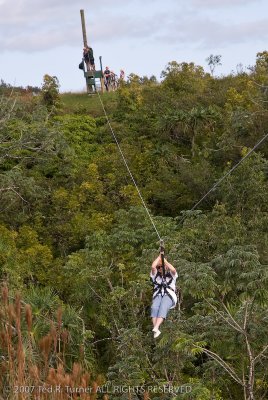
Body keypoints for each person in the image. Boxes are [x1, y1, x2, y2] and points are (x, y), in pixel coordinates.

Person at [150, 255, 178, 338]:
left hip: (169, 295)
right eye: (159, 267)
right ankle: (156, 328)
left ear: (166, 267)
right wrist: (159, 257)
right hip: (158, 294)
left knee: (163, 306)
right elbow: (153, 266)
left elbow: (173, 269)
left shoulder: (172, 275)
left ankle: (156, 327)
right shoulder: (155, 276)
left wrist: (164, 261)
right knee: (154, 308)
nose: (160, 269)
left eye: (162, 267)